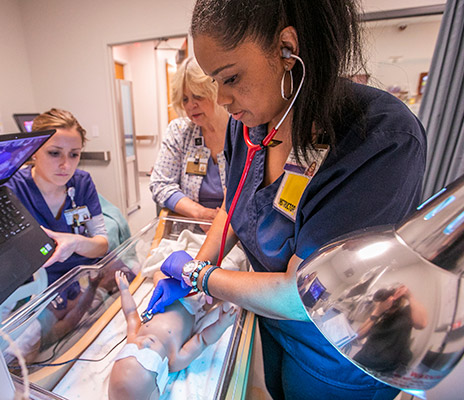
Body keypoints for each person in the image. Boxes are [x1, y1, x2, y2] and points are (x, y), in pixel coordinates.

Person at [147, 1, 427, 399]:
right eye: (215, 81)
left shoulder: (379, 137)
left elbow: (303, 294)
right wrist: (197, 263)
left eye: (230, 77)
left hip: (340, 351)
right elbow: (233, 204)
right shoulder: (250, 125)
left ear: (286, 48)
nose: (222, 98)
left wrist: (198, 276)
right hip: (274, 323)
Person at [5, 108, 108, 285]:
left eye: (74, 154)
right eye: (54, 153)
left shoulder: (82, 183)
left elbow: (102, 245)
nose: (66, 165)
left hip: (85, 273)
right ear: (33, 151)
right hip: (43, 284)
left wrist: (75, 242)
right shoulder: (13, 189)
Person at [108, 271, 236, 399]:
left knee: (158, 275)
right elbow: (202, 340)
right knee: (223, 290)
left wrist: (124, 291)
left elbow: (130, 313)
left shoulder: (133, 338)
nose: (144, 342)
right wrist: (221, 324)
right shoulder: (175, 360)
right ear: (161, 381)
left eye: (133, 349)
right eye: (148, 357)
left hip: (165, 295)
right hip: (194, 306)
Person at [149, 57, 229, 221]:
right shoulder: (179, 131)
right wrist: (200, 214)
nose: (190, 105)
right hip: (191, 224)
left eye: (198, 96)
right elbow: (160, 184)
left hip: (235, 230)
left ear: (216, 92)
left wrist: (220, 222)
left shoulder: (244, 133)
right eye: (185, 99)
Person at [353, 285, 427, 373]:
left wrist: (410, 297)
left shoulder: (406, 312)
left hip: (385, 370)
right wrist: (378, 311)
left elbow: (421, 324)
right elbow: (358, 335)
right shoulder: (379, 315)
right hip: (362, 360)